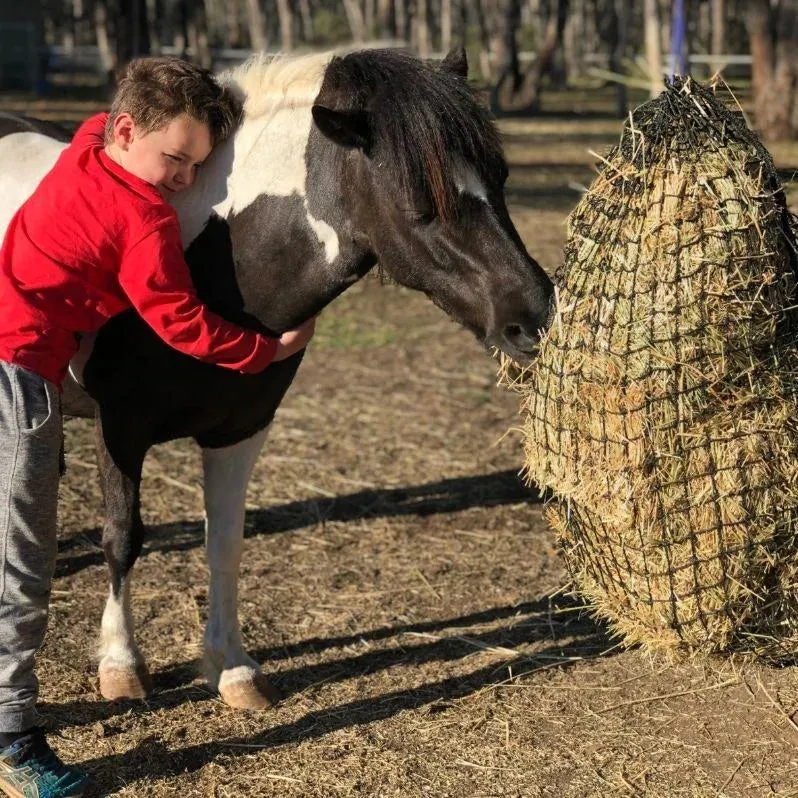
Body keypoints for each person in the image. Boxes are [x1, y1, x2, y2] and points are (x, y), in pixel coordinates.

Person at [0, 56, 315, 797]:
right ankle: (12, 735)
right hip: (18, 369)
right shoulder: (143, 220)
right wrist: (265, 350)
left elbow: (95, 131)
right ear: (125, 130)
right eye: (175, 159)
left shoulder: (85, 149)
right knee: (24, 551)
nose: (181, 180)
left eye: (196, 167)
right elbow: (180, 323)